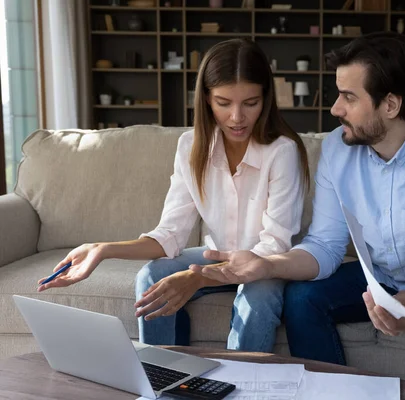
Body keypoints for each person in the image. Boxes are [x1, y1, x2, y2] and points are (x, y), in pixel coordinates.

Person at [190, 32, 405, 400]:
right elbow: (325, 245)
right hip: (379, 276)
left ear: (390, 104)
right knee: (302, 299)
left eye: (349, 97)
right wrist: (267, 265)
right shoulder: (337, 150)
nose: (335, 108)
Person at [37, 38, 310, 352]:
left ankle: (241, 385)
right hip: (216, 254)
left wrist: (198, 278)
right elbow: (169, 235)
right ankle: (163, 379)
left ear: (266, 98)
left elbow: (274, 246)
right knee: (153, 275)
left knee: (258, 297)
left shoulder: (282, 151)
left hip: (266, 264)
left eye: (250, 103)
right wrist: (102, 249)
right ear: (206, 98)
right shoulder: (190, 147)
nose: (237, 116)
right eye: (224, 102)